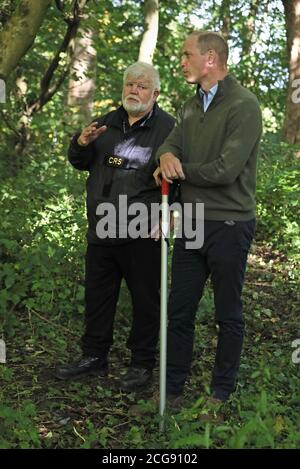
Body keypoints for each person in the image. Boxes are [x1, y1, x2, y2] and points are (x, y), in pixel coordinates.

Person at [154, 31, 262, 405]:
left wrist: (179, 170)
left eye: (187, 55)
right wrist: (166, 156)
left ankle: (220, 395)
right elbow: (171, 142)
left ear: (211, 58)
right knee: (179, 309)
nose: (181, 62)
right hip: (193, 222)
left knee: (227, 314)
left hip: (230, 224)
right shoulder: (189, 106)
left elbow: (225, 170)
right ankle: (171, 391)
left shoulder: (244, 105)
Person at [55, 62, 175, 391]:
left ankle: (141, 365)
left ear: (155, 92)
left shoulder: (169, 129)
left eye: (141, 85)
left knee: (145, 300)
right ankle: (94, 358)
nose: (133, 90)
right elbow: (80, 162)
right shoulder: (106, 124)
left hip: (142, 229)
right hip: (102, 227)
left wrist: (172, 214)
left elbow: (180, 179)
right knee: (98, 296)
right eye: (129, 85)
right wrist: (79, 142)